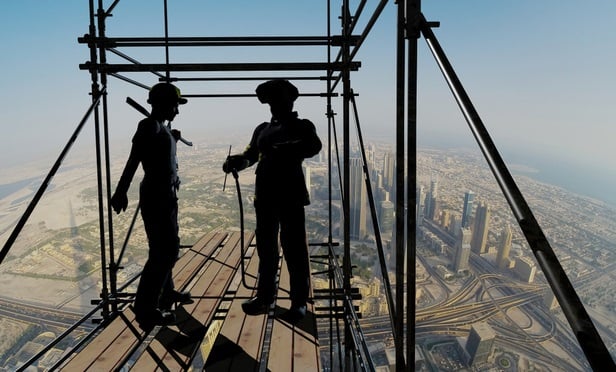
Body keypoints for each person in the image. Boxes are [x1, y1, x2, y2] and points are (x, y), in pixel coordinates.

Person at [223, 79, 322, 321]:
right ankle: (264, 297)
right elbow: (251, 155)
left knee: (294, 250)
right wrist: (237, 161)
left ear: (290, 101)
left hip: (290, 197)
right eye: (272, 101)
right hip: (265, 197)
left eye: (279, 100)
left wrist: (283, 149)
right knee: (266, 250)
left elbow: (313, 146)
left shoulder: (302, 126)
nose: (275, 106)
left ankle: (299, 303)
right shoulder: (261, 130)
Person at [111, 82, 192, 332]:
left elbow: (162, 155)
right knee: (164, 251)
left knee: (167, 246)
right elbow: (134, 158)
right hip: (157, 196)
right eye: (175, 105)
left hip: (166, 195)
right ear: (165, 104)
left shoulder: (161, 129)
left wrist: (172, 138)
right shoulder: (149, 126)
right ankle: (146, 309)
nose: (177, 111)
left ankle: (166, 294)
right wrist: (121, 191)